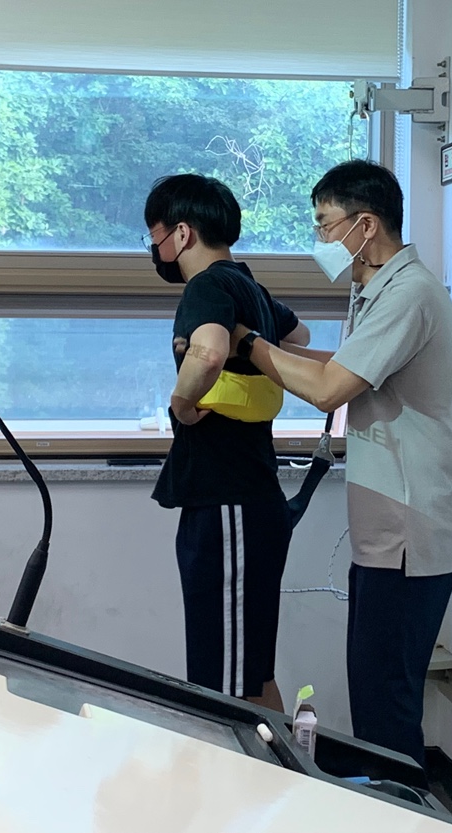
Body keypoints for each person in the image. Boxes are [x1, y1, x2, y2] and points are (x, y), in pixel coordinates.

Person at [228, 160, 452, 771]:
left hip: (409, 536)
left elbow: (330, 388)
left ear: (366, 225)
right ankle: (390, 802)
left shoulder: (410, 294)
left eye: (325, 224)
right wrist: (267, 346)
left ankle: (401, 809)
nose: (320, 239)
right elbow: (340, 364)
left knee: (385, 707)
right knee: (374, 698)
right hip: (387, 536)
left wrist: (248, 344)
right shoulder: (376, 288)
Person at [143, 174, 310, 713]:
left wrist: (181, 403)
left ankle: (240, 769)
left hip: (228, 504)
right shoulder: (248, 286)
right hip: (247, 499)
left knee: (229, 687)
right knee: (249, 674)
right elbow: (298, 337)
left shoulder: (206, 287)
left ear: (182, 234)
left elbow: (210, 352)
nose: (155, 250)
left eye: (155, 237)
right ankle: (287, 764)